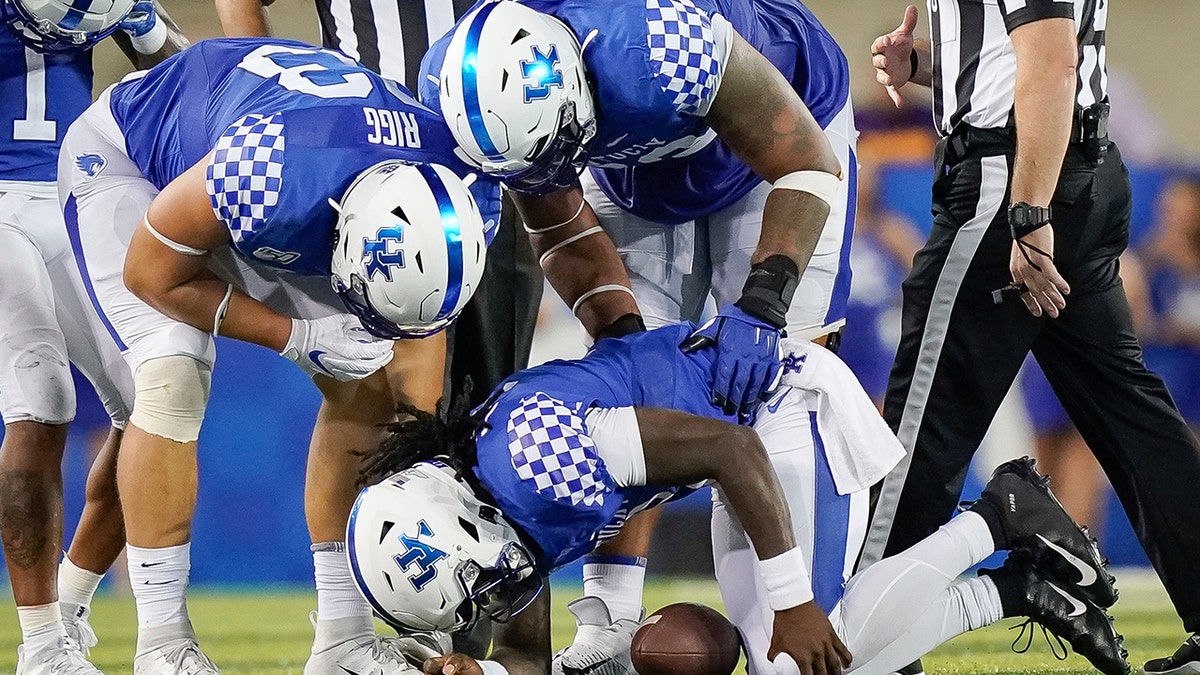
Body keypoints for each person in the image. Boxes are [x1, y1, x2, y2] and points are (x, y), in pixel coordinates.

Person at [54, 36, 519, 674]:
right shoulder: (272, 171)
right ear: (343, 232)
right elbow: (152, 273)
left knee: (379, 396)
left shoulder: (467, 197)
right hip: (130, 162)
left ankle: (344, 639)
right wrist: (297, 337)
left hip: (294, 176)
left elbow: (415, 394)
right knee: (173, 371)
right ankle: (162, 643)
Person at [422, 1, 855, 666]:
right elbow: (560, 228)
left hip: (784, 136)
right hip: (638, 180)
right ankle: (610, 621)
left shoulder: (657, 44)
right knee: (623, 392)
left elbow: (805, 166)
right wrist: (629, 348)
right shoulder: (469, 87)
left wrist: (765, 301)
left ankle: (832, 597)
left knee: (783, 391)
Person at [344, 324, 1130, 675]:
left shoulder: (534, 458)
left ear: (457, 521)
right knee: (810, 658)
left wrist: (790, 600)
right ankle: (1018, 588)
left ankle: (1001, 515)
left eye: (474, 583)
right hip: (735, 453)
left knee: (800, 654)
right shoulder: (495, 504)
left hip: (780, 411)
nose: (493, 595)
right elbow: (524, 656)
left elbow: (732, 447)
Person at [865, 3, 1200, 673]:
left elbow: (1050, 59)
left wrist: (1027, 212)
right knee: (1132, 415)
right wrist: (929, 67)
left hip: (1016, 174)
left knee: (921, 426)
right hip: (1069, 166)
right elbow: (1023, 57)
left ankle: (875, 631)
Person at [213, 0, 545, 415]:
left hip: (487, 175)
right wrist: (267, 100)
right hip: (360, 173)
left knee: (482, 410)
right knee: (376, 399)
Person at [0, 1, 186, 672]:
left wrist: (144, 27)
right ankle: (42, 648)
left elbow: (185, 79)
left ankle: (71, 608)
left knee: (158, 404)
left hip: (70, 191)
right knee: (42, 402)